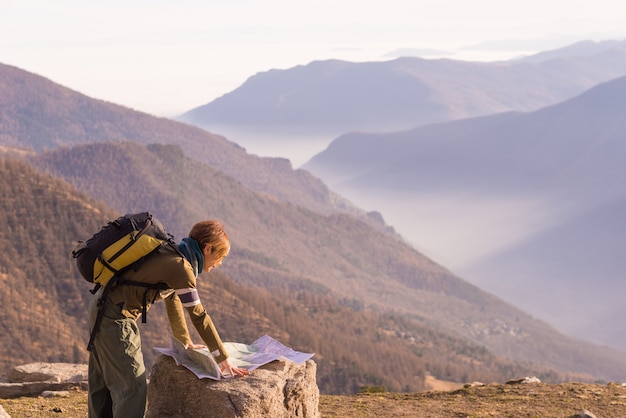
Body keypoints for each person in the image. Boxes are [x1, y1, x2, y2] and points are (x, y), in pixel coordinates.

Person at [87, 220, 249, 418]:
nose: (220, 263)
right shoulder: (181, 268)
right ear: (207, 249)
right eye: (220, 256)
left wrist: (184, 341)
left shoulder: (172, 252)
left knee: (101, 383)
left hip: (100, 305)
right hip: (116, 318)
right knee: (133, 387)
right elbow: (198, 315)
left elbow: (172, 297)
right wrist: (222, 358)